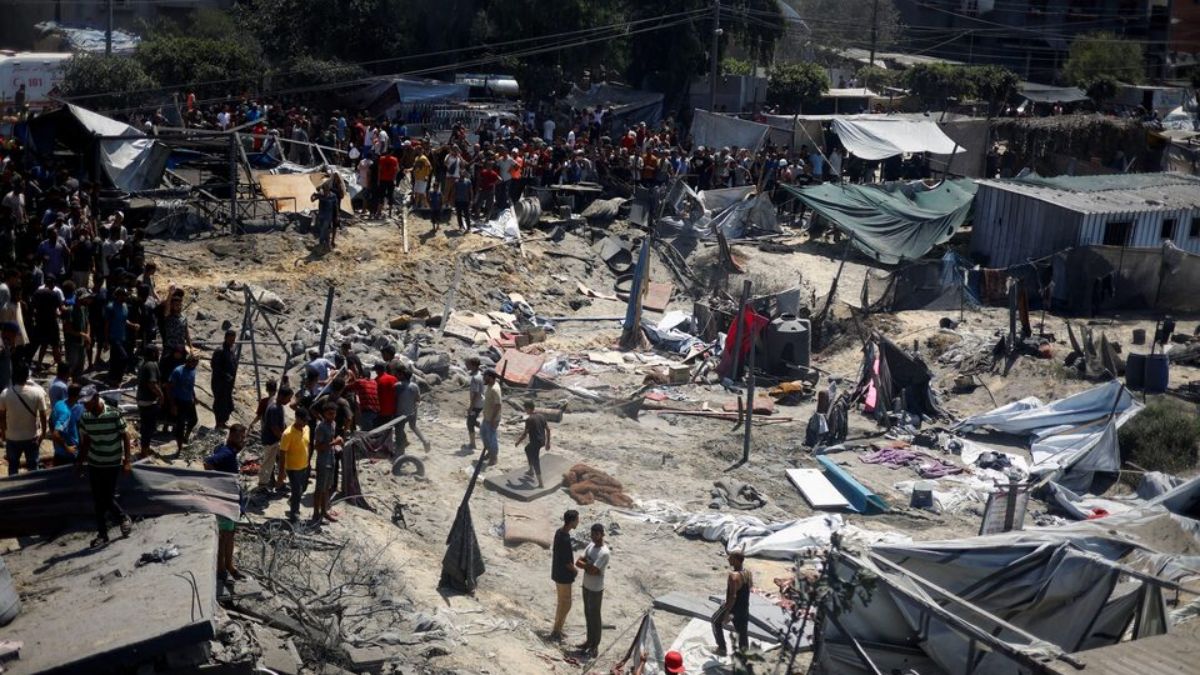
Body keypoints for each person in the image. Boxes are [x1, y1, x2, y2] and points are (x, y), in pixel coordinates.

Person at [76, 385, 133, 547]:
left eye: (87, 401)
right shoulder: (85, 417)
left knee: (107, 496)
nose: (85, 405)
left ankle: (122, 517)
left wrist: (127, 460)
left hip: (112, 461)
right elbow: (86, 441)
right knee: (97, 499)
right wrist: (80, 462)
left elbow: (125, 436)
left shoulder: (114, 413)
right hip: (95, 462)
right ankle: (102, 534)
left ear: (95, 398)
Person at [205, 423, 246, 581]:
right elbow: (208, 462)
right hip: (225, 503)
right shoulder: (227, 453)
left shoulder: (228, 451)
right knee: (224, 537)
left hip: (231, 502)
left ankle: (229, 566)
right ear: (232, 436)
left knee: (230, 534)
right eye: (239, 437)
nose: (242, 440)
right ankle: (221, 569)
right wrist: (219, 484)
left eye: (243, 437)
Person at [0, 361, 49, 475]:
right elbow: (43, 415)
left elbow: (1, 417)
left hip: (12, 437)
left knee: (13, 467)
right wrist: (42, 435)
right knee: (33, 467)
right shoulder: (38, 393)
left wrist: (3, 433)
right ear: (27, 376)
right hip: (31, 436)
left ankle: (14, 490)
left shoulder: (5, 394)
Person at [575, 523, 610, 657]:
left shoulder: (604, 552)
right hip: (586, 586)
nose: (593, 536)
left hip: (596, 589)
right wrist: (589, 566)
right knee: (587, 615)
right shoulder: (590, 546)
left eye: (596, 534)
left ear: (602, 534)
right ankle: (589, 641)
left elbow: (595, 570)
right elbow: (578, 562)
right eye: (592, 534)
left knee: (595, 617)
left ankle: (595, 646)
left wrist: (587, 565)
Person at [712, 548, 753, 656]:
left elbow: (733, 596)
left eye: (731, 557)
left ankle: (722, 648)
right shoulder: (748, 573)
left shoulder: (733, 576)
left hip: (732, 607)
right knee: (742, 633)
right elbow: (750, 587)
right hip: (744, 608)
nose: (728, 559)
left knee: (715, 621)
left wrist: (727, 613)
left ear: (737, 560)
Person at [550, 509, 579, 642]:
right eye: (577, 519)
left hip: (557, 573)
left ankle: (558, 629)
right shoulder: (565, 539)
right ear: (572, 521)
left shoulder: (558, 532)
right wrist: (575, 570)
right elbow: (567, 562)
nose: (578, 522)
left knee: (561, 602)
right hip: (563, 576)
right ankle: (556, 630)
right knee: (566, 604)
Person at [257, 385, 292, 491]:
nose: (289, 401)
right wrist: (283, 438)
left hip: (276, 440)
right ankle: (262, 486)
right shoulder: (274, 408)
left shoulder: (278, 405)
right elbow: (274, 427)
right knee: (268, 463)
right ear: (281, 396)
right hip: (271, 440)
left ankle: (279, 483)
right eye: (288, 398)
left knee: (281, 461)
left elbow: (281, 423)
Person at [312, 402, 342, 524]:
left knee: (327, 488)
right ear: (324, 414)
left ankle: (324, 511)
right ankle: (315, 514)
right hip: (323, 461)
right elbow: (317, 447)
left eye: (334, 414)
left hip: (331, 459)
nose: (332, 416)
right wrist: (334, 443)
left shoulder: (333, 424)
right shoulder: (320, 427)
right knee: (319, 488)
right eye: (330, 414)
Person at [280, 408, 310, 523]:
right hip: (293, 468)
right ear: (297, 419)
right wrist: (281, 472)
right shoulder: (287, 434)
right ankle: (294, 515)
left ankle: (292, 501)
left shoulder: (307, 428)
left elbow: (308, 445)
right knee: (297, 492)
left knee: (301, 489)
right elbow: (282, 453)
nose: (306, 423)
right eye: (304, 420)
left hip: (305, 466)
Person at [395, 365, 431, 453]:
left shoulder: (398, 385)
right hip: (412, 411)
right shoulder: (415, 386)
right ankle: (425, 441)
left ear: (402, 375)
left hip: (401, 412)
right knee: (413, 426)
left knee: (399, 429)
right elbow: (418, 399)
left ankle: (401, 449)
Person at [169, 353, 200, 453]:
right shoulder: (178, 371)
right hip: (179, 401)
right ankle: (179, 448)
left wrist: (194, 397)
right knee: (180, 425)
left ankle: (186, 437)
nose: (195, 364)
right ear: (188, 361)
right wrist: (173, 405)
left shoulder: (193, 370)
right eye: (193, 362)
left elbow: (191, 386)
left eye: (196, 362)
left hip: (188, 400)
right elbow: (170, 388)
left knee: (194, 420)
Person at [514, 400, 550, 487]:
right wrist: (548, 443)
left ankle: (541, 483)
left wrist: (518, 441)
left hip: (536, 442)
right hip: (542, 441)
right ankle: (531, 470)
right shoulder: (541, 416)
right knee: (527, 449)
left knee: (535, 460)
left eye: (525, 409)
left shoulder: (529, 419)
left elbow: (525, 434)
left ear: (529, 409)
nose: (525, 411)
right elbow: (548, 430)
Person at [136, 345, 163, 454]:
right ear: (153, 354)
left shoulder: (142, 363)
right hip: (149, 401)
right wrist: (161, 395)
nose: (158, 354)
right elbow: (152, 384)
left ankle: (144, 448)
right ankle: (144, 450)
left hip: (142, 399)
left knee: (145, 426)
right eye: (157, 352)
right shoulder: (151, 365)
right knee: (149, 427)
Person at [51, 382, 83, 466]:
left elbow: (50, 421)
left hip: (58, 451)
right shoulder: (66, 413)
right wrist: (67, 448)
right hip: (67, 456)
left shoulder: (59, 403)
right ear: (78, 395)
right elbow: (56, 434)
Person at [210, 328, 238, 429]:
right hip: (219, 383)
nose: (232, 342)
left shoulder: (231, 350)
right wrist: (225, 375)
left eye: (233, 340)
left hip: (228, 384)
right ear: (225, 338)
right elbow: (214, 366)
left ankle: (223, 421)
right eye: (231, 340)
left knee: (228, 405)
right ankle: (219, 423)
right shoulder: (220, 350)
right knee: (220, 403)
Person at [480, 368, 501, 466]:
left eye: (485, 376)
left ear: (490, 377)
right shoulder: (489, 385)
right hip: (487, 417)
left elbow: (498, 405)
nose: (483, 378)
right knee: (484, 435)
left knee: (492, 438)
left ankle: (494, 458)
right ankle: (489, 452)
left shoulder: (494, 389)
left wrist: (493, 419)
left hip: (492, 419)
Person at [464, 356, 483, 452]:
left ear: (473, 365)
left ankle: (472, 444)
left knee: (469, 423)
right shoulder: (479, 374)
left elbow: (475, 394)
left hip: (476, 404)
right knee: (473, 421)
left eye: (468, 364)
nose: (466, 365)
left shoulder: (475, 378)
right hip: (480, 403)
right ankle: (483, 428)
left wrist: (470, 407)